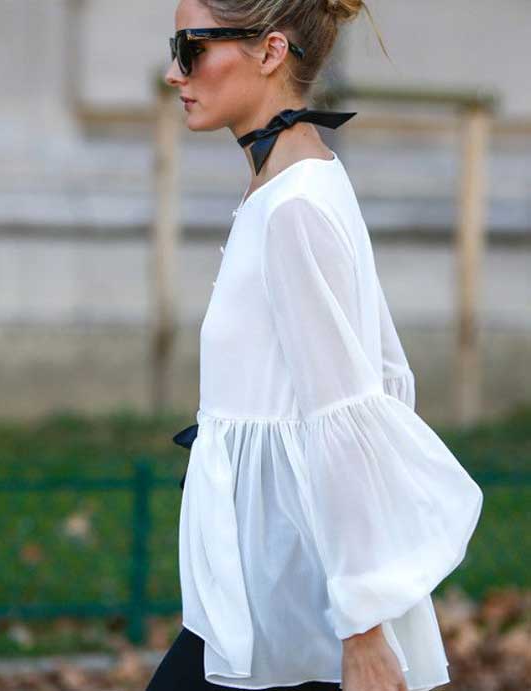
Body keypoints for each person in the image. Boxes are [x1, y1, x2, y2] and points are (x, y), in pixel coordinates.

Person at [145, 0, 484, 689]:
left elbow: (346, 409)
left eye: (190, 48)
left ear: (270, 52)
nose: (175, 73)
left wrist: (363, 628)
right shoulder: (290, 182)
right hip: (270, 590)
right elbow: (386, 371)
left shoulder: (295, 203)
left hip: (296, 603)